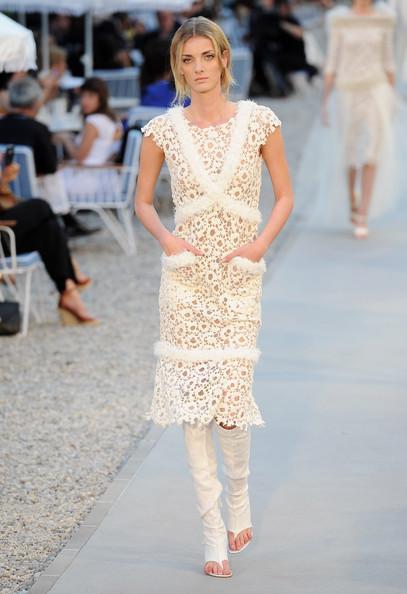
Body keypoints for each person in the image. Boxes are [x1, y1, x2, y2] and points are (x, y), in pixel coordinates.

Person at [135, 16, 293, 578]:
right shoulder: (161, 130)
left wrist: (258, 246)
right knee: (193, 412)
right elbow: (145, 203)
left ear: (223, 59)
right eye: (186, 60)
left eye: (206, 57)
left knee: (230, 404)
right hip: (185, 281)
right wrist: (169, 240)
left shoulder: (259, 122)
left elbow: (284, 196)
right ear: (176, 66)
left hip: (238, 279)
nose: (197, 69)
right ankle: (211, 530)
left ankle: (240, 498)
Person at [321, 0, 397, 238]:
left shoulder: (385, 17)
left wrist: (392, 98)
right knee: (349, 150)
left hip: (376, 89)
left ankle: (363, 212)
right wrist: (325, 100)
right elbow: (332, 60)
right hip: (346, 91)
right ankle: (352, 197)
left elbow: (389, 59)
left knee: (372, 149)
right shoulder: (338, 18)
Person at [0, 155, 97, 326]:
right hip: (4, 235)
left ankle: (67, 289)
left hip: (8, 235)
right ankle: (71, 273)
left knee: (49, 228)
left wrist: (3, 179)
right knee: (41, 206)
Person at [0, 76, 98, 236]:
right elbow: (50, 166)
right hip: (32, 188)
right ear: (35, 102)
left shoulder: (1, 124)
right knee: (56, 175)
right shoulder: (38, 129)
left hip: (4, 187)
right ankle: (65, 221)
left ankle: (68, 222)